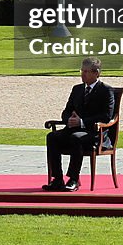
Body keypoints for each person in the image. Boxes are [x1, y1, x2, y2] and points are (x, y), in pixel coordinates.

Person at [42, 56, 116, 192]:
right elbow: (66, 111)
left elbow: (106, 117)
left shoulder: (106, 90)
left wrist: (81, 122)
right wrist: (68, 120)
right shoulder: (77, 89)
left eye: (86, 71)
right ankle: (57, 179)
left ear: (97, 73)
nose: (83, 74)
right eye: (81, 71)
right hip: (73, 129)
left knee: (76, 138)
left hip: (94, 133)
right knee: (52, 137)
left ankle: (73, 179)